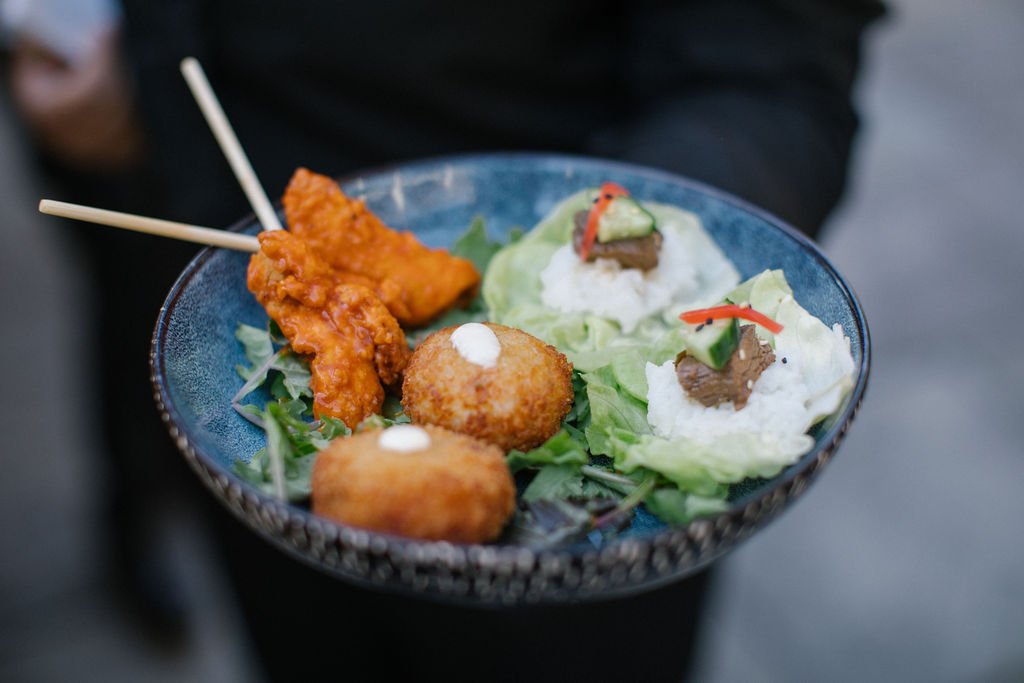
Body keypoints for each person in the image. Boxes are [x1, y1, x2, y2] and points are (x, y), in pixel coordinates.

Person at [6, 0, 884, 679]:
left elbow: (771, 65)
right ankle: (132, 533)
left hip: (571, 550)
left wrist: (655, 265)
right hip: (218, 312)